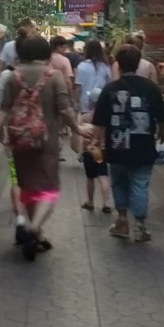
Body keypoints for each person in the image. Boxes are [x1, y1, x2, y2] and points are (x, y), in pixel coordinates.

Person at [0, 32, 79, 259]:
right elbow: (65, 109)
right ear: (45, 53)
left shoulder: (12, 77)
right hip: (47, 142)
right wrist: (78, 129)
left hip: (19, 141)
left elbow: (4, 109)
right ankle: (35, 227)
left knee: (28, 188)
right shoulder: (54, 76)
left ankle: (36, 233)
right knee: (48, 189)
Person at [95, 45, 164, 242]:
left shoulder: (110, 89)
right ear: (138, 63)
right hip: (143, 145)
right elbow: (162, 117)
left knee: (118, 182)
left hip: (117, 144)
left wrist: (97, 141)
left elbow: (100, 120)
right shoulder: (151, 88)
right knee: (140, 183)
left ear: (118, 63)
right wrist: (162, 134)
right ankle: (140, 225)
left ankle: (121, 220)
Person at [74, 40, 113, 213]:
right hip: (104, 110)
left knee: (90, 175)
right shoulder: (106, 67)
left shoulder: (82, 66)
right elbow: (110, 86)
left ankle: (90, 201)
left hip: (86, 108)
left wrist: (75, 102)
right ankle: (106, 203)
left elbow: (78, 88)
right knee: (103, 174)